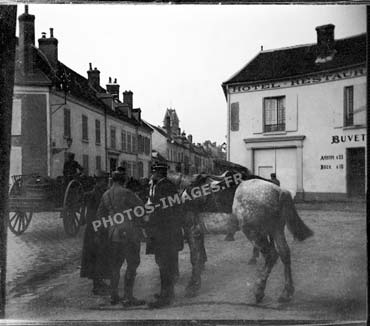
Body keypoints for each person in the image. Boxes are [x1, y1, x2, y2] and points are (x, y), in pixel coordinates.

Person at [96, 169, 146, 306]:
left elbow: (100, 216)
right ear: (123, 180)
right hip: (129, 233)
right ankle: (128, 297)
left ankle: (114, 296)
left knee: (115, 266)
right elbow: (141, 208)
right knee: (132, 264)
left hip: (113, 235)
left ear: (112, 180)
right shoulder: (127, 193)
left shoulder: (105, 195)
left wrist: (110, 226)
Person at [145, 163, 184, 309]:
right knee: (167, 264)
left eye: (153, 172)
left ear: (158, 173)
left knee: (164, 265)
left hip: (164, 234)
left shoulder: (163, 187)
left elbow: (161, 211)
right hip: (169, 233)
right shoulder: (168, 185)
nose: (152, 175)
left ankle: (165, 297)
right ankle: (167, 293)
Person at [80, 170, 111, 295]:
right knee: (99, 255)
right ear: (101, 181)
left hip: (90, 229)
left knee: (93, 256)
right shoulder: (102, 194)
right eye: (104, 180)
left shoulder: (89, 194)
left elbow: (83, 210)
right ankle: (97, 286)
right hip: (98, 228)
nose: (105, 183)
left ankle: (98, 283)